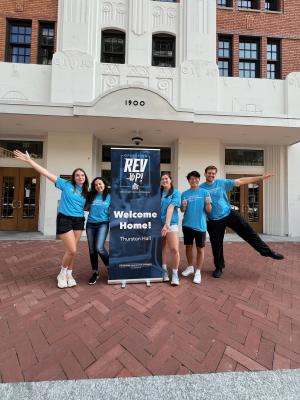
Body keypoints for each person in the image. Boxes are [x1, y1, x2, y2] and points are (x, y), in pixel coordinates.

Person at [13, 150, 89, 288]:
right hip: (65, 219)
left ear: (85, 177)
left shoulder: (86, 192)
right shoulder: (66, 184)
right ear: (74, 177)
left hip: (79, 220)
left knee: (73, 250)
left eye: (82, 175)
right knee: (72, 250)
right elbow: (45, 173)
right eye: (77, 175)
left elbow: (89, 207)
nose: (80, 177)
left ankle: (69, 274)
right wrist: (30, 161)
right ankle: (61, 273)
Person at [200, 165, 284, 278]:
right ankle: (219, 267)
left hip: (228, 213)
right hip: (214, 220)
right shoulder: (201, 188)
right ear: (205, 174)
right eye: (209, 173)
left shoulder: (221, 183)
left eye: (213, 173)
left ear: (215, 174)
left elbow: (241, 181)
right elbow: (199, 206)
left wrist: (260, 177)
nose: (211, 175)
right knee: (216, 244)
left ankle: (267, 251)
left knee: (248, 231)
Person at [181, 171, 212, 284]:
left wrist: (208, 204)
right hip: (187, 225)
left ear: (199, 179)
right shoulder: (184, 194)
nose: (194, 180)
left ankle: (198, 271)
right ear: (188, 180)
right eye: (191, 179)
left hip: (200, 225)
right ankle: (190, 267)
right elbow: (182, 210)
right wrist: (183, 206)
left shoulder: (205, 192)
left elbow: (209, 210)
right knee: (188, 247)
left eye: (196, 178)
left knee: (200, 249)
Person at [85, 177, 110, 285]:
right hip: (90, 224)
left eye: (100, 184)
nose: (98, 186)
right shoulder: (91, 195)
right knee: (92, 250)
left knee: (99, 247)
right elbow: (85, 207)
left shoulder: (110, 196)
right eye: (96, 185)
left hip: (103, 223)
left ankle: (110, 267)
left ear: (104, 184)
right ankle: (95, 272)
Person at [160, 172, 181, 286]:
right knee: (162, 248)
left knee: (174, 249)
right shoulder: (158, 193)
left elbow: (171, 208)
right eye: (162, 179)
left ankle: (175, 274)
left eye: (166, 178)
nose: (164, 180)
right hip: (158, 224)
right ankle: (164, 271)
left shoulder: (176, 193)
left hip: (171, 224)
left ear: (170, 180)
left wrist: (166, 225)